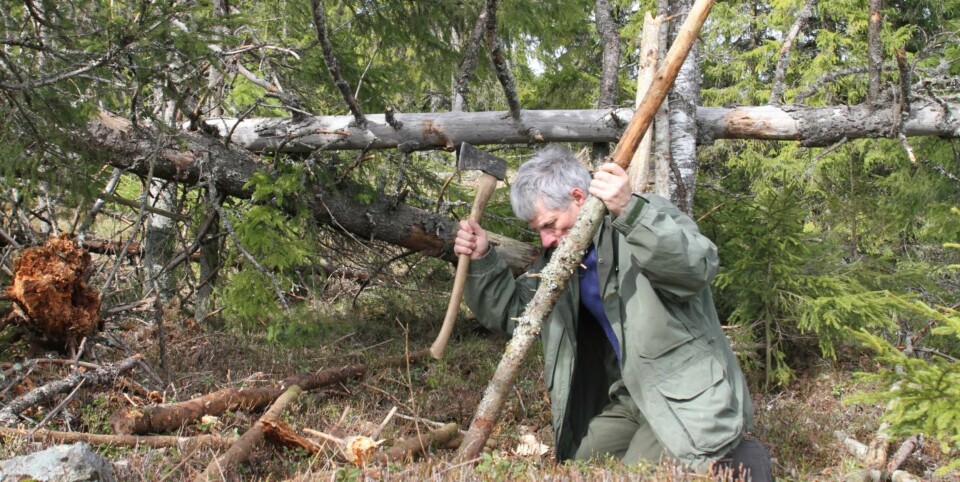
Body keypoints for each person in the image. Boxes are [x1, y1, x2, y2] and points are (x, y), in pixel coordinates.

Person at [454, 145, 772, 479]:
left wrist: (631, 211)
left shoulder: (643, 218)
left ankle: (744, 463)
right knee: (582, 467)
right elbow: (516, 314)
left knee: (639, 474)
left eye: (550, 224)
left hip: (681, 395)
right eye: (539, 230)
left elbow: (696, 268)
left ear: (579, 197)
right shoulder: (563, 261)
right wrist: (483, 258)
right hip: (630, 398)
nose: (547, 239)